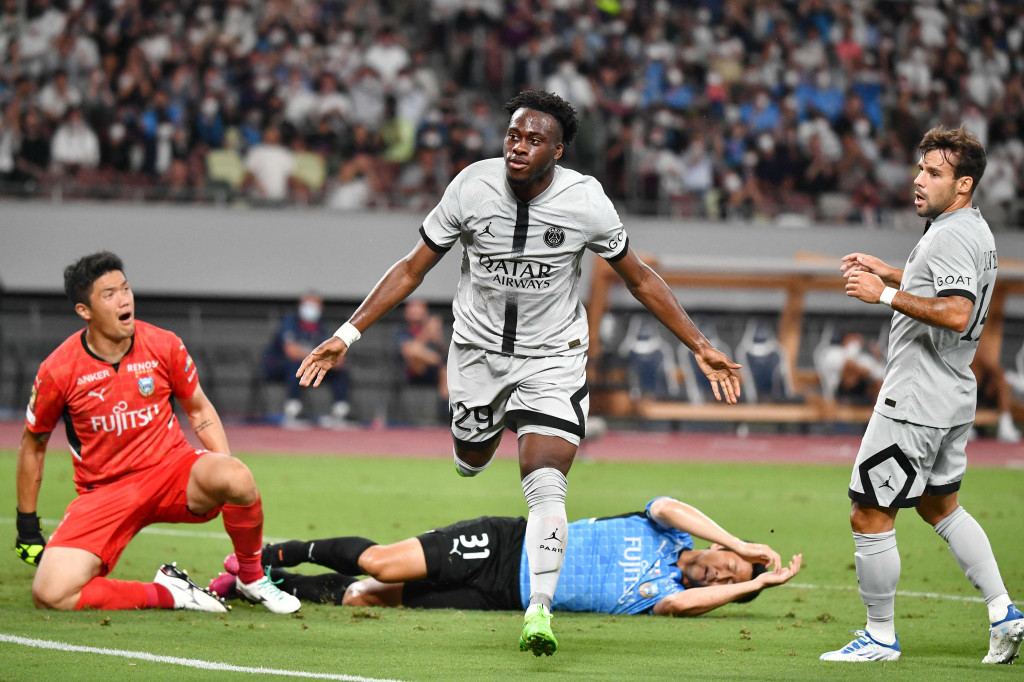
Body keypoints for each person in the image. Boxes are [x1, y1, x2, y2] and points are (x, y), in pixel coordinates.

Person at [296, 89, 742, 656]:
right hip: (478, 354)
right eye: (513, 135)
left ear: (558, 152)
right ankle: (485, 433)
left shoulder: (587, 201)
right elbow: (412, 268)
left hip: (553, 357)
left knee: (546, 481)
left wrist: (699, 344)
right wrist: (346, 334)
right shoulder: (470, 186)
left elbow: (641, 278)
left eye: (534, 140)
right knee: (471, 461)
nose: (518, 147)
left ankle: (540, 610)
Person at [821, 126, 1023, 664]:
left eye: (933, 173)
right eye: (920, 168)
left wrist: (883, 293)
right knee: (941, 506)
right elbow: (946, 289)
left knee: (868, 511)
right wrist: (895, 271)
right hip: (954, 391)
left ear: (963, 185)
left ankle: (880, 636)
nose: (917, 180)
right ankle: (1004, 611)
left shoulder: (950, 233)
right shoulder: (972, 227)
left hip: (916, 397)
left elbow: (956, 312)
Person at [15, 252, 300, 615]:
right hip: (104, 491)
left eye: (126, 289)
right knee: (50, 593)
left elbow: (199, 409)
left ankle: (251, 578)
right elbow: (33, 445)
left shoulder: (163, 344)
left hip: (170, 471)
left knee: (237, 477)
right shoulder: (58, 370)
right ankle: (173, 593)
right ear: (84, 311)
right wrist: (26, 524)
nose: (124, 300)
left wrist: (220, 468)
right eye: (109, 294)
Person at [209, 495, 801, 618]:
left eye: (733, 580)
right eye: (730, 560)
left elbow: (682, 605)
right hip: (507, 543)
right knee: (382, 564)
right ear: (722, 547)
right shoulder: (665, 532)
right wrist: (750, 546)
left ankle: (270, 583)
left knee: (373, 595)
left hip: (505, 596)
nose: (725, 570)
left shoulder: (659, 596)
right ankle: (271, 553)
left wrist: (757, 586)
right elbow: (670, 503)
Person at [263, 291, 350, 428]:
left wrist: (334, 360)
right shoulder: (290, 321)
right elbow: (291, 352)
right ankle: (292, 413)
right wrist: (319, 357)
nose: (312, 309)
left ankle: (340, 413)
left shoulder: (320, 325)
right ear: (301, 306)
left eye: (316, 305)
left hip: (311, 366)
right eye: (309, 304)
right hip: (279, 367)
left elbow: (330, 352)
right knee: (296, 366)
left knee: (339, 371)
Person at [395, 299, 448, 421]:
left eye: (419, 307)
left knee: (446, 371)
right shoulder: (403, 332)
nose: (415, 311)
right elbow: (407, 350)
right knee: (414, 353)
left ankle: (446, 412)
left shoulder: (433, 332)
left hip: (434, 372)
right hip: (413, 370)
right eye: (412, 308)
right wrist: (426, 333)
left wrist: (437, 338)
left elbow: (443, 354)